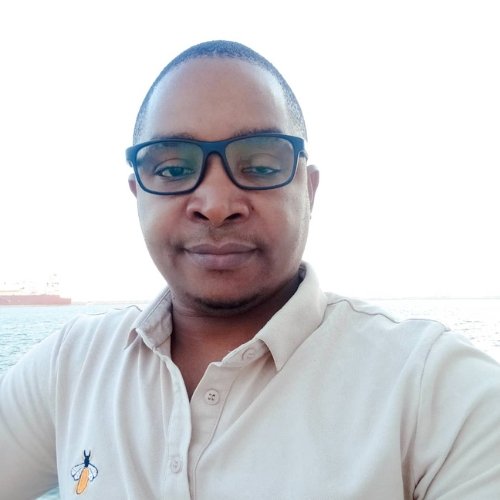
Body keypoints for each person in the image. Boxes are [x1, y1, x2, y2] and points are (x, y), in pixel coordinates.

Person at [1, 40, 499, 500]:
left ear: (309, 190)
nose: (216, 204)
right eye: (173, 169)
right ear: (138, 195)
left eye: (259, 165)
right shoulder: (72, 368)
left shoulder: (437, 392)